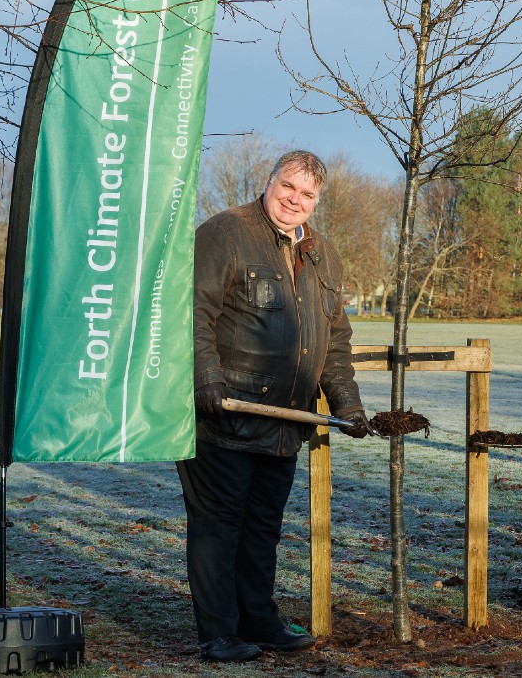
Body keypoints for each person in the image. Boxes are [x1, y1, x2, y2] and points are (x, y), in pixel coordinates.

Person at [179, 150, 376, 662]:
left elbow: (334, 338)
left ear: (317, 201)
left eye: (307, 194)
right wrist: (207, 379)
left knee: (262, 526)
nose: (295, 200)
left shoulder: (323, 255)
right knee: (219, 527)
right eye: (288, 186)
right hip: (225, 415)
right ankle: (219, 631)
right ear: (269, 182)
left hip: (286, 421)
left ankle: (259, 620)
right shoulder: (225, 233)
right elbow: (190, 312)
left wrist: (347, 404)